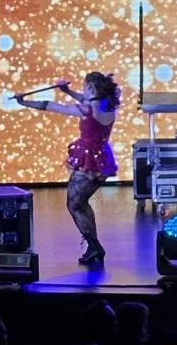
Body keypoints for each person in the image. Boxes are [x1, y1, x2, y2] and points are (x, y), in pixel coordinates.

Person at [16, 73, 120, 265]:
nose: (83, 90)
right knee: (81, 203)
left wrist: (24, 102)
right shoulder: (107, 105)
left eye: (84, 86)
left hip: (88, 159)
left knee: (74, 204)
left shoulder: (86, 109)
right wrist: (68, 91)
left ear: (91, 87)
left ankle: (95, 246)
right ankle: (93, 247)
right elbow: (86, 99)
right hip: (102, 158)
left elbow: (50, 105)